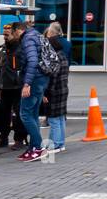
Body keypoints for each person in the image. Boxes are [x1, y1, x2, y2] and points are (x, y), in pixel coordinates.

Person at [15, 20, 49, 162]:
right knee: (33, 114)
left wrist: (27, 83)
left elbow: (33, 61)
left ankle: (38, 148)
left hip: (34, 80)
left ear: (18, 31)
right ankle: (33, 147)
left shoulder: (28, 39)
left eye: (14, 33)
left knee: (25, 114)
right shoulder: (37, 35)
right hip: (42, 79)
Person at [0, 26, 28, 149]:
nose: (5, 37)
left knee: (18, 114)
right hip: (5, 86)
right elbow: (1, 69)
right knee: (3, 113)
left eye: (7, 35)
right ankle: (3, 138)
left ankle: (19, 139)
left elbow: (24, 67)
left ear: (15, 34)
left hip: (17, 86)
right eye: (4, 35)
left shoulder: (21, 48)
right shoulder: (3, 50)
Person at [43, 22, 72, 152]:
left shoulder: (54, 60)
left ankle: (57, 143)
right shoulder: (64, 56)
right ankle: (58, 142)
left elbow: (52, 77)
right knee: (60, 118)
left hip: (55, 90)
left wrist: (46, 92)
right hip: (64, 88)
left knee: (54, 119)